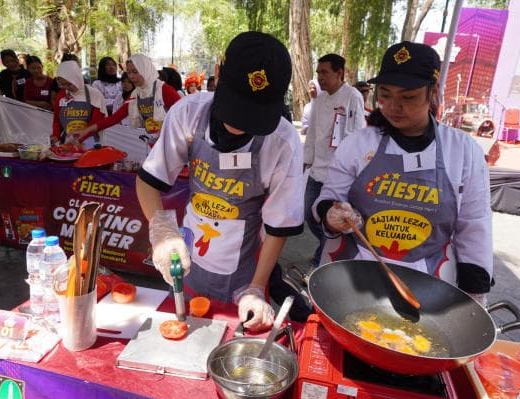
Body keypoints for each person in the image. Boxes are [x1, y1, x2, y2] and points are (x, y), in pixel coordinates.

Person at [136, 31, 304, 331]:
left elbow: (279, 226)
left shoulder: (282, 142)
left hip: (245, 274)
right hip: (191, 262)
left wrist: (256, 288)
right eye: (236, 108)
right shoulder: (189, 113)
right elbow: (149, 180)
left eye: (252, 116)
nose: (239, 125)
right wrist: (162, 231)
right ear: (218, 73)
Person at [313, 42, 493, 305]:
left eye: (407, 97)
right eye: (385, 95)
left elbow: (475, 226)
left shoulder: (463, 151)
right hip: (354, 277)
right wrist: (331, 214)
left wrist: (475, 298)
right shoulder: (359, 144)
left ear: (433, 93)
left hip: (429, 283)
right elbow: (328, 197)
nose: (394, 106)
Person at [303, 53, 365, 268]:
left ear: (339, 73)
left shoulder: (352, 96)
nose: (320, 77)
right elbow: (311, 132)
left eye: (325, 72)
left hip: (340, 173)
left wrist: (356, 169)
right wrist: (306, 159)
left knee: (332, 219)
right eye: (318, 72)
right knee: (310, 216)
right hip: (317, 169)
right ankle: (327, 249)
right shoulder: (318, 99)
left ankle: (326, 256)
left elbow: (358, 136)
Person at [70, 54, 181, 145]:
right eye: (129, 72)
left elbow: (186, 113)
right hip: (152, 142)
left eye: (135, 72)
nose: (131, 77)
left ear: (146, 69)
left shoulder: (164, 90)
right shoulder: (135, 94)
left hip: (173, 142)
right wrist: (86, 130)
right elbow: (115, 118)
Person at [51, 61, 107, 148]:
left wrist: (80, 139)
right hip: (68, 143)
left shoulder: (94, 94)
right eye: (63, 84)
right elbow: (57, 121)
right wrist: (55, 136)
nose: (66, 87)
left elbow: (97, 122)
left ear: (77, 78)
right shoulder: (61, 95)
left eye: (69, 84)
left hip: (90, 143)